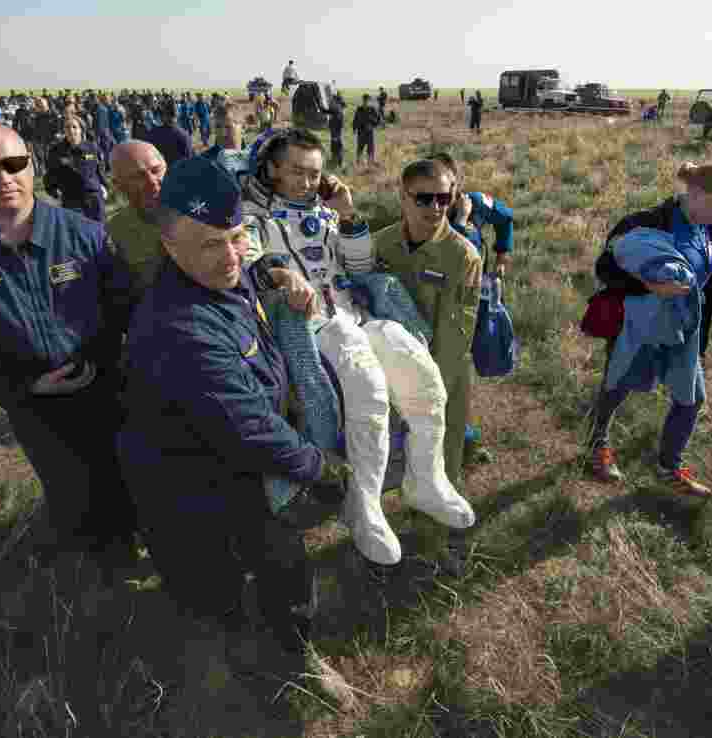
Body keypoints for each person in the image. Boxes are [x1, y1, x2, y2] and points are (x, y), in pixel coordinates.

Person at [117, 155, 359, 710]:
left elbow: (248, 268)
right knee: (217, 585)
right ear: (169, 244)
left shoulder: (219, 266)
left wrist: (277, 269)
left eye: (236, 236)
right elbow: (250, 428)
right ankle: (232, 656)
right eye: (210, 244)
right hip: (191, 482)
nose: (230, 256)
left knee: (285, 567)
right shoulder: (182, 327)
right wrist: (321, 467)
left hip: (234, 461)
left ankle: (297, 653)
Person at [240, 129, 475, 569]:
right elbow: (249, 255)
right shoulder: (251, 216)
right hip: (311, 324)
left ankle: (425, 478)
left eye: (315, 174)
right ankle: (364, 505)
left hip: (352, 312)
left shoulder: (325, 214)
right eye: (297, 172)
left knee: (420, 370)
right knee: (368, 385)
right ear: (271, 168)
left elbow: (361, 266)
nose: (309, 183)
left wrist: (347, 215)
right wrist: (282, 275)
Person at [0, 121, 140, 576]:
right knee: (66, 484)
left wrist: (109, 364)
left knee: (124, 472)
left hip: (105, 388)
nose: (4, 178)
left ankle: (133, 541)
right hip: (33, 399)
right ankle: (96, 562)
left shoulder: (84, 234)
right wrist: (19, 383)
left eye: (14, 164)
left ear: (32, 165)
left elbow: (124, 307)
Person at [588, 160, 712, 496]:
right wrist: (649, 284)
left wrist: (701, 342)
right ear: (694, 192)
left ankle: (669, 466)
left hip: (684, 332)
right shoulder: (645, 223)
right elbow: (605, 267)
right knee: (618, 385)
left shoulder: (709, 228)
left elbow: (707, 288)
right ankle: (597, 443)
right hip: (640, 326)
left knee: (691, 398)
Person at [373, 159, 485, 487]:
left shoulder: (462, 256)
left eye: (443, 198)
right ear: (403, 197)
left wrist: (427, 391)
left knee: (439, 465)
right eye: (423, 198)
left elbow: (454, 339)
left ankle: (435, 537)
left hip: (441, 375)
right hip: (388, 370)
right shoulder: (381, 243)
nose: (435, 207)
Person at [430, 152, 514, 466]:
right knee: (446, 369)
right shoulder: (428, 212)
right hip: (440, 303)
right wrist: (462, 223)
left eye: (448, 187)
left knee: (466, 367)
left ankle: (462, 434)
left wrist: (503, 255)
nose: (441, 197)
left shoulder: (476, 203)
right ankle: (455, 437)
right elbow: (450, 255)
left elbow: (505, 218)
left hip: (476, 300)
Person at [108, 141, 167, 298]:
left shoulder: (199, 211)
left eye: (156, 170)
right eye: (138, 176)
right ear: (118, 185)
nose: (152, 181)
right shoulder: (114, 233)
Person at [44, 115, 109, 224]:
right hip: (71, 200)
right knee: (78, 233)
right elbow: (50, 175)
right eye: (67, 127)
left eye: (74, 127)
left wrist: (104, 185)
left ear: (81, 130)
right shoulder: (55, 152)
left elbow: (99, 169)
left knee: (100, 232)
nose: (71, 130)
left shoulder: (92, 147)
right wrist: (54, 193)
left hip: (94, 197)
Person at [202, 102, 252, 179]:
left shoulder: (254, 159)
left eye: (228, 127)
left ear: (243, 128)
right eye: (218, 127)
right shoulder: (205, 162)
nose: (223, 134)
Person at [142, 102, 193, 169]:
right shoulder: (184, 134)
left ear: (164, 116)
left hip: (161, 173)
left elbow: (145, 156)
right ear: (176, 116)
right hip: (180, 172)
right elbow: (189, 159)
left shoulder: (154, 133)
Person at [30, 97, 59, 178]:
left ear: (47, 105)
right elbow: (35, 129)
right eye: (39, 105)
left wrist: (56, 135)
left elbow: (59, 126)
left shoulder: (54, 114)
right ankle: (49, 175)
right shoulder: (37, 116)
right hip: (42, 142)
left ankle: (56, 175)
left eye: (42, 104)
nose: (41, 106)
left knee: (54, 159)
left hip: (52, 141)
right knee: (44, 160)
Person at [352, 94, 381, 166]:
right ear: (363, 100)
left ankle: (370, 162)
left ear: (369, 101)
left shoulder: (372, 109)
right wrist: (354, 128)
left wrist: (372, 124)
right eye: (364, 100)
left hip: (369, 132)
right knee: (360, 147)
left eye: (367, 100)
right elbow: (355, 119)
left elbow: (378, 119)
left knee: (370, 148)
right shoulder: (359, 109)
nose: (365, 101)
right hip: (361, 131)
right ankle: (358, 162)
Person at [326, 93, 345, 168]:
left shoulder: (338, 110)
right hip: (334, 132)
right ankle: (335, 162)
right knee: (334, 147)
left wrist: (336, 135)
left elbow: (340, 124)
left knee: (337, 147)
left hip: (336, 133)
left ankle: (339, 163)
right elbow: (328, 111)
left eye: (333, 100)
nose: (331, 102)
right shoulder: (336, 109)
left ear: (336, 102)